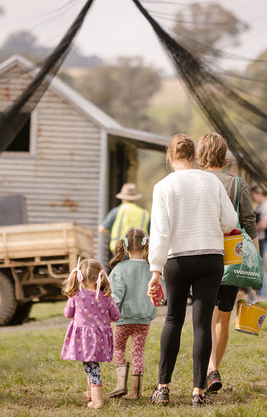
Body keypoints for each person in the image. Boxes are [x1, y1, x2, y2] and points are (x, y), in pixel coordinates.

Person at [147, 133, 238, 407]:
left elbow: (160, 233)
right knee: (201, 325)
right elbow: (229, 222)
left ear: (170, 157)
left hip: (177, 260)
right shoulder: (210, 181)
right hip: (210, 257)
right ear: (193, 155)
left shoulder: (163, 186)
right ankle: (198, 392)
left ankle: (163, 387)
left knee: (173, 320)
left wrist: (155, 270)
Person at [195, 132, 259, 396]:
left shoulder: (194, 181)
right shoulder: (238, 184)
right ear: (224, 155)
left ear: (200, 155)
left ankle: (208, 371)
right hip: (232, 257)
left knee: (204, 318)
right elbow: (250, 223)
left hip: (201, 254)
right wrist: (257, 264)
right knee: (223, 317)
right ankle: (212, 370)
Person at [60, 258, 121, 410]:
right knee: (91, 364)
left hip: (85, 340)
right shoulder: (106, 296)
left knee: (92, 368)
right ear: (100, 276)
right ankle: (90, 394)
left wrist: (70, 300)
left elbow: (68, 313)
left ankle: (98, 401)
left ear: (79, 276)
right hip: (101, 338)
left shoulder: (76, 296)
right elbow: (116, 316)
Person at [107, 227, 156, 401]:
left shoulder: (119, 269)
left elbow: (116, 295)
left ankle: (121, 384)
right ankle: (135, 391)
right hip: (143, 320)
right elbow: (159, 293)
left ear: (125, 246)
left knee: (118, 348)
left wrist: (110, 313)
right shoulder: (153, 269)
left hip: (123, 319)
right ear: (145, 246)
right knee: (138, 353)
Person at [98, 183, 150, 267]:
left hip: (120, 250)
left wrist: (111, 229)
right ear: (135, 199)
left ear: (123, 199)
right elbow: (151, 233)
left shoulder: (118, 211)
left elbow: (102, 229)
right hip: (139, 252)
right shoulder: (144, 213)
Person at [251, 185, 267, 256]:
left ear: (259, 193)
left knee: (261, 262)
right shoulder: (260, 206)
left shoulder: (266, 206)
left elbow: (263, 224)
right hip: (260, 239)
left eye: (252, 195)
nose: (252, 197)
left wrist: (251, 232)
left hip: (264, 239)